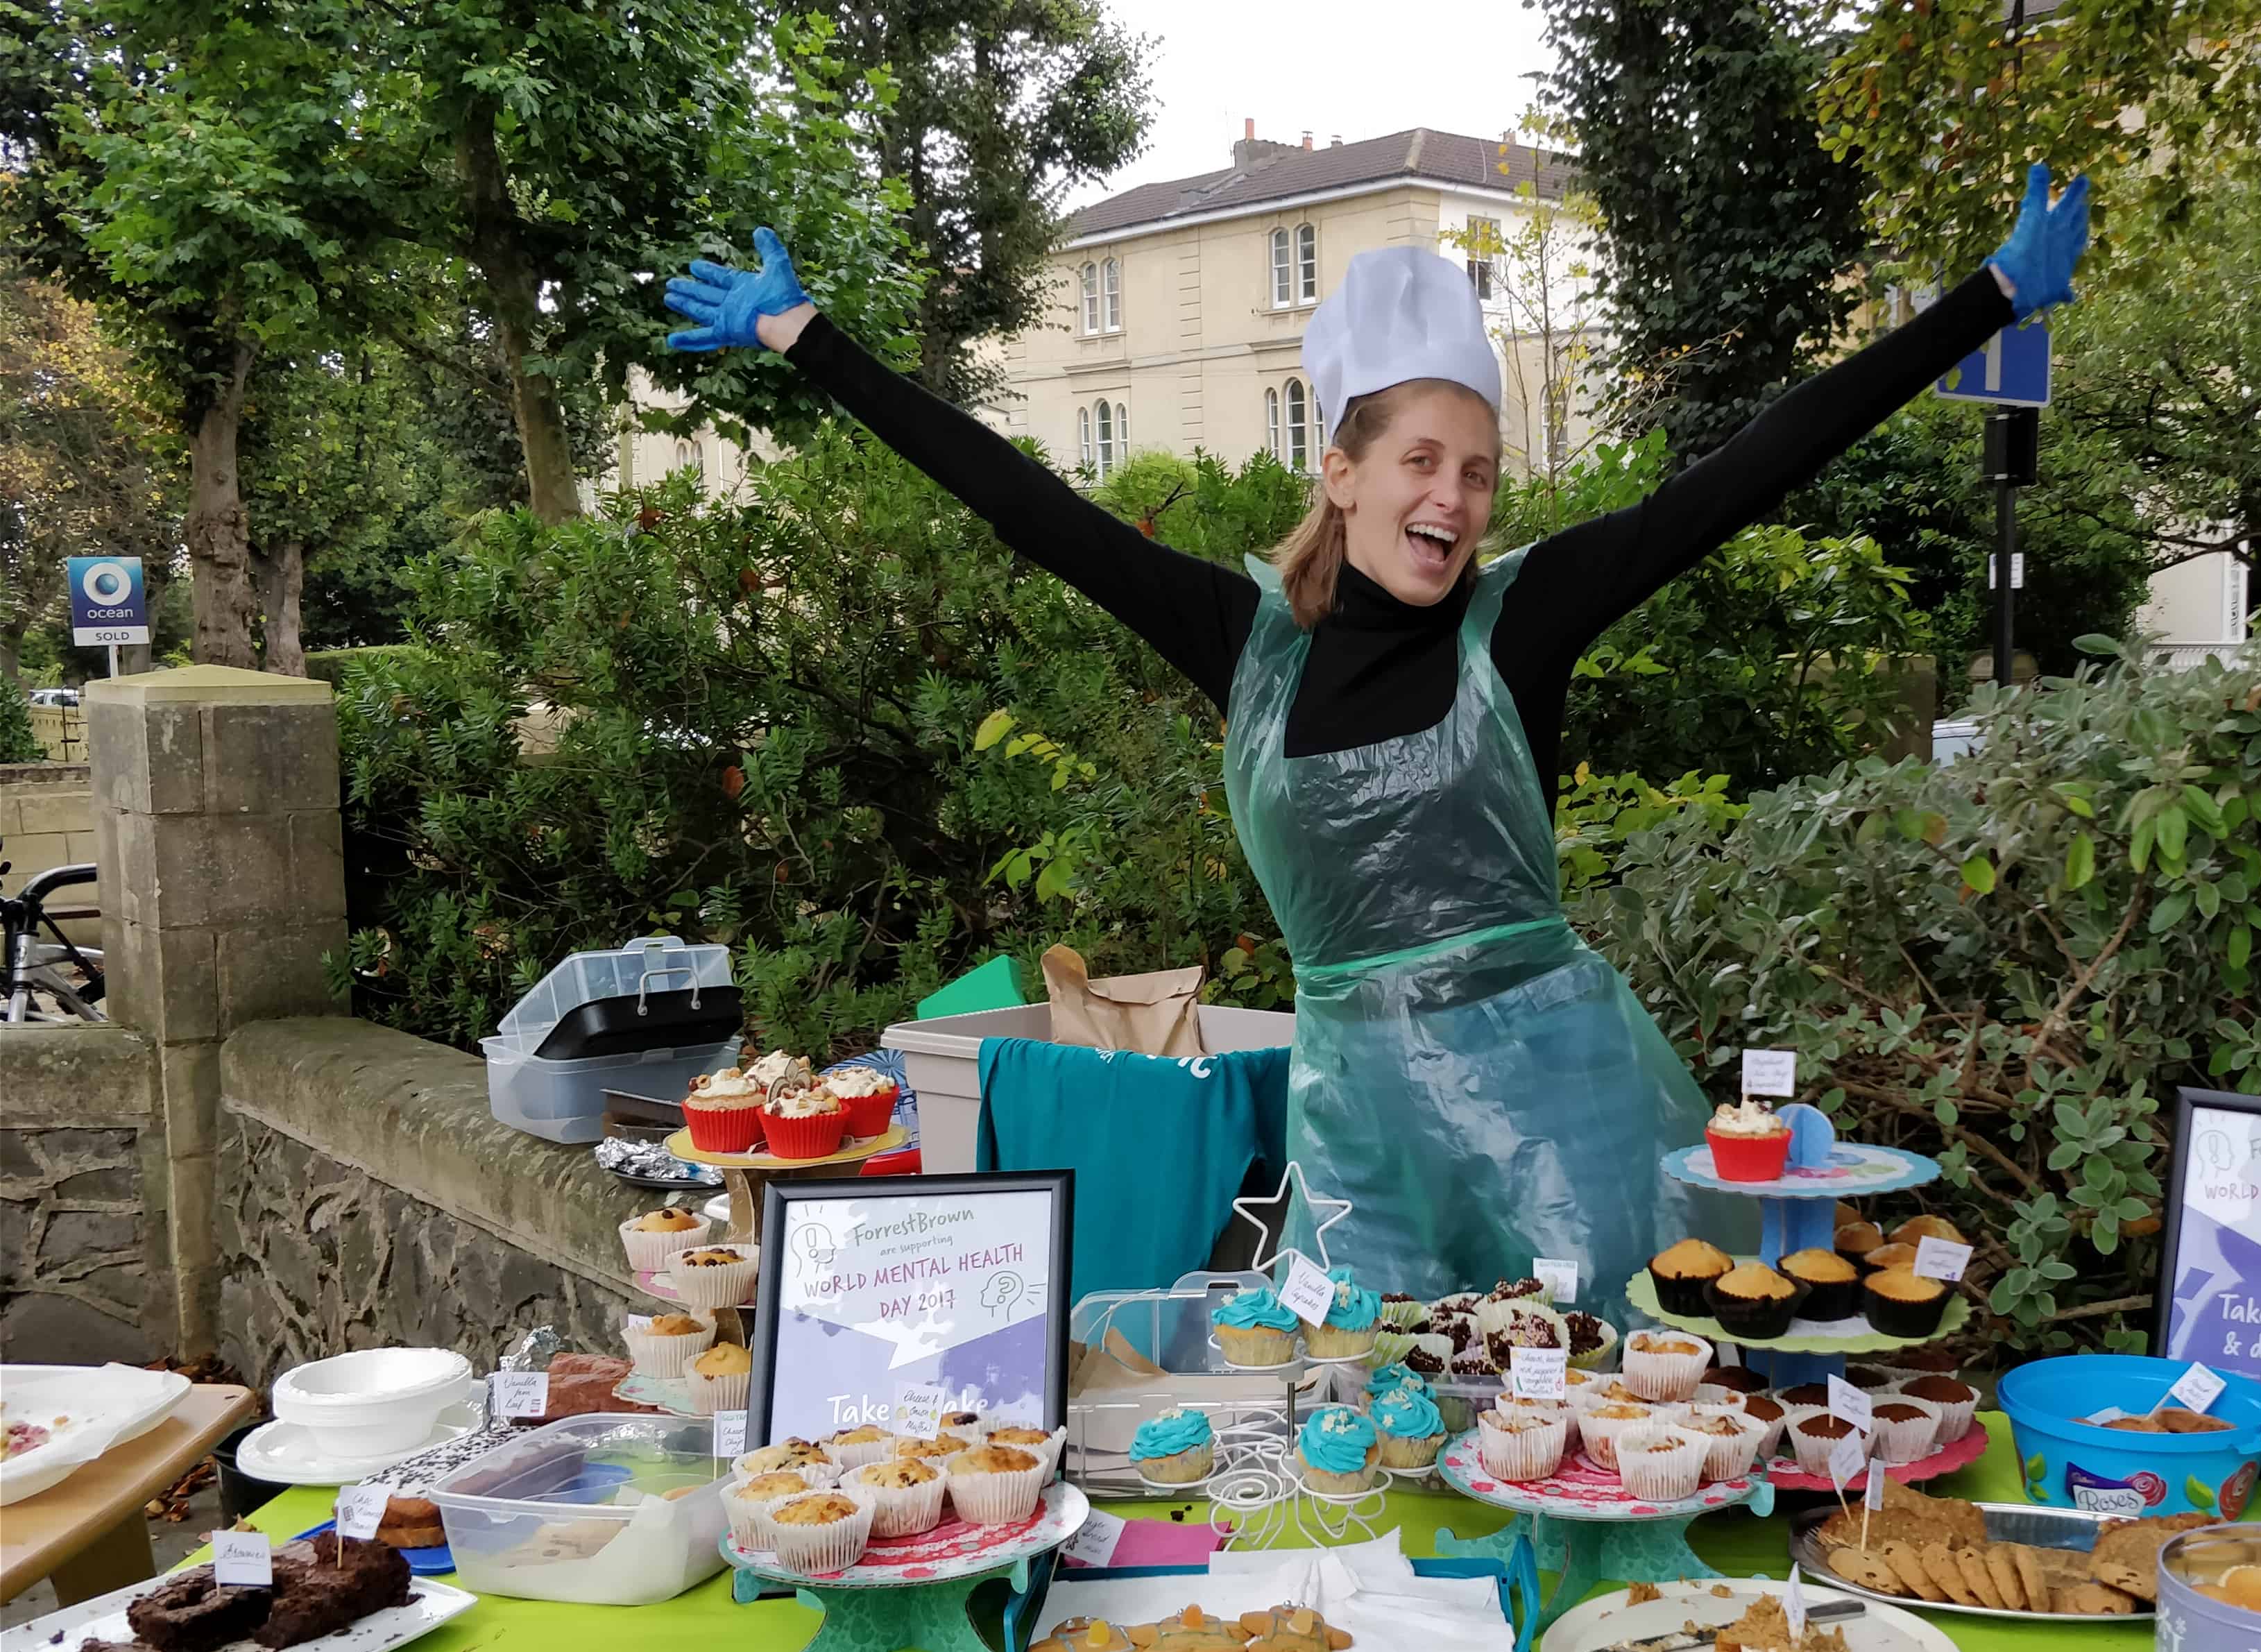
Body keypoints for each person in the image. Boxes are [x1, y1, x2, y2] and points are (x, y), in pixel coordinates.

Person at [664, 167, 2092, 1307]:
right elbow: (1025, 505)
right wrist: (813, 342)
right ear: (1339, 472)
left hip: (1564, 1106)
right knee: (1372, 1404)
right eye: (1420, 460)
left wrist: (1986, 300)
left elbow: (1758, 462)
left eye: (1477, 471)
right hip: (1363, 1125)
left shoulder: (1524, 621)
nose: (1455, 499)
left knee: (1610, 1401)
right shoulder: (1246, 644)